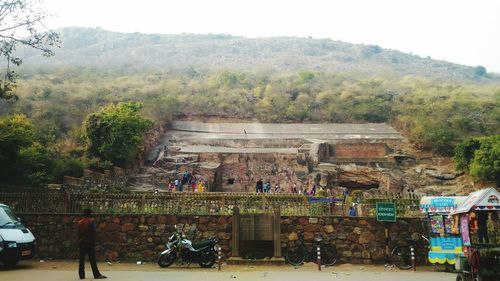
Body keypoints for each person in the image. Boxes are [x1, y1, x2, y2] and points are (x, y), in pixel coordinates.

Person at [78, 208, 107, 279]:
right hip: (90, 242)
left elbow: (79, 233)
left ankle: (81, 275)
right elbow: (94, 231)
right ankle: (96, 274)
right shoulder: (91, 221)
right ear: (90, 214)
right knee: (92, 260)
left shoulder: (80, 222)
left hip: (82, 243)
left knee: (81, 259)